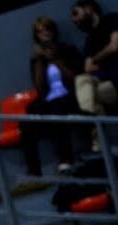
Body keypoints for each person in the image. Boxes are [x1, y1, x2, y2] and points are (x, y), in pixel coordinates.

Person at [21, 16, 84, 175]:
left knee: (57, 110)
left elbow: (75, 78)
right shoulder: (37, 60)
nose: (44, 33)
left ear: (53, 31)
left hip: (69, 95)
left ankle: (65, 160)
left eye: (47, 29)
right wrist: (39, 61)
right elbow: (39, 87)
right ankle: (34, 171)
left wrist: (55, 60)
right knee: (26, 122)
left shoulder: (68, 50)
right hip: (49, 98)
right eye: (40, 31)